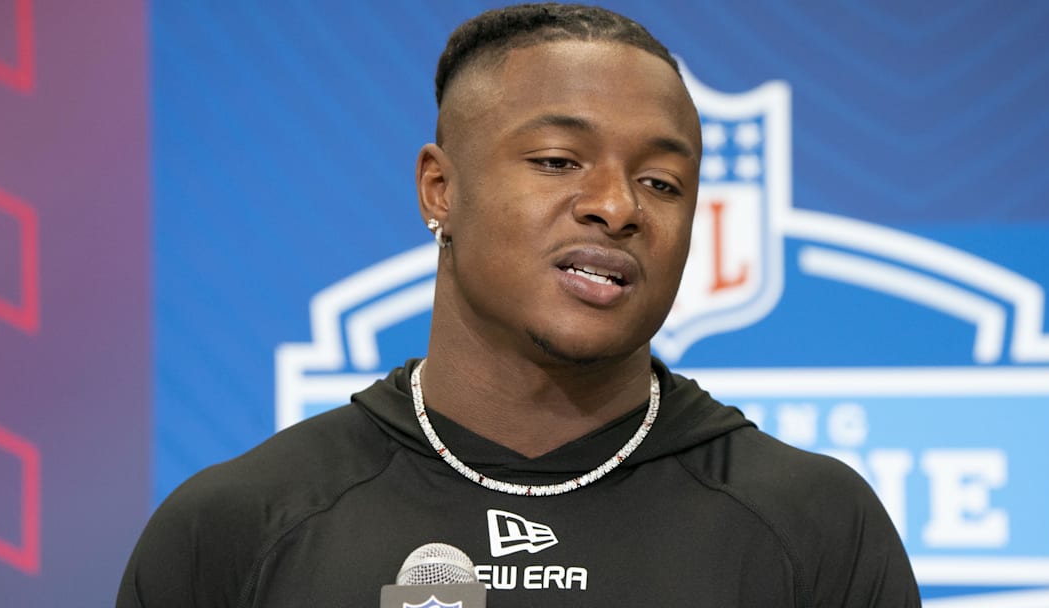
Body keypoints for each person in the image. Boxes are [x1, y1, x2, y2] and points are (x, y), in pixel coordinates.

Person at [118, 3, 920, 606]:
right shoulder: (239, 526)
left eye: (661, 182)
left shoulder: (814, 524)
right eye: (558, 160)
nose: (618, 206)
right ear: (440, 188)